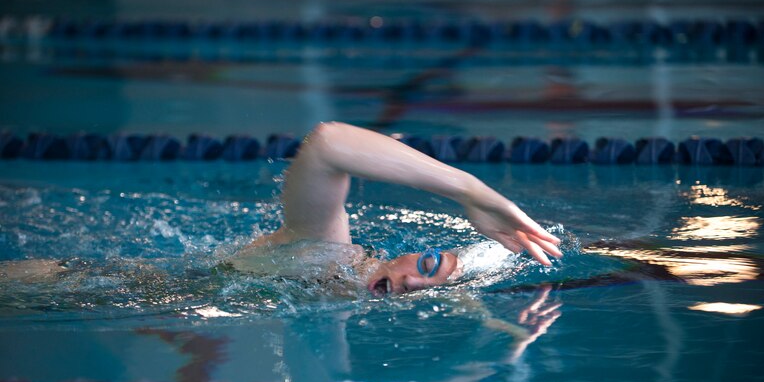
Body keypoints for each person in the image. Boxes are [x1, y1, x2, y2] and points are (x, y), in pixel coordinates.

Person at [229, 121, 563, 296]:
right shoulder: (325, 253)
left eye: (433, 292)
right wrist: (469, 191)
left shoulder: (328, 311)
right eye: (427, 266)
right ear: (405, 254)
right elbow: (327, 145)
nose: (415, 285)